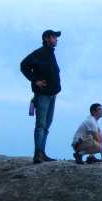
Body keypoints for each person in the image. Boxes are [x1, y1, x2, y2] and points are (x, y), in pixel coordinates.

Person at [20, 29, 61, 164]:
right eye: (54, 37)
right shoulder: (39, 53)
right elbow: (23, 65)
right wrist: (35, 80)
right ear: (47, 38)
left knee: (47, 124)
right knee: (41, 125)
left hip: (52, 94)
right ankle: (38, 154)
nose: (56, 39)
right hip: (43, 95)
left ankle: (42, 153)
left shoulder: (50, 53)